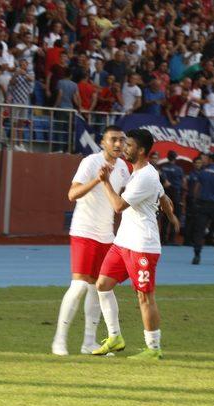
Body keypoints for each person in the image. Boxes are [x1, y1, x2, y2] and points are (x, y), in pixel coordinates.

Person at [90, 129, 179, 360]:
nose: (123, 147)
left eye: (128, 144)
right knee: (102, 285)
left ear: (140, 151)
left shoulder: (146, 177)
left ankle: (153, 348)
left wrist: (105, 182)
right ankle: (115, 337)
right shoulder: (140, 173)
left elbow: (119, 206)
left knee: (144, 297)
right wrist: (172, 216)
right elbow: (164, 197)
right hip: (122, 243)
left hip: (142, 246)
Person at [51, 126, 131, 356]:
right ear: (103, 142)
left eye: (122, 140)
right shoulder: (90, 162)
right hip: (84, 231)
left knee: (97, 288)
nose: (118, 144)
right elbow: (72, 194)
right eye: (113, 140)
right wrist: (98, 180)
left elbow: (122, 197)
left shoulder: (124, 167)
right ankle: (59, 340)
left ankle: (89, 342)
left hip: (107, 234)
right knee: (78, 287)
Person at [159, 150, 183, 245]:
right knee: (175, 216)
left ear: (168, 157)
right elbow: (181, 183)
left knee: (165, 217)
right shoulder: (179, 169)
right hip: (175, 194)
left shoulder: (163, 168)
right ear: (175, 157)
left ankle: (163, 239)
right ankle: (172, 239)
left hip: (165, 194)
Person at [183, 156, 203, 246]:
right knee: (189, 220)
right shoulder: (190, 175)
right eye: (197, 163)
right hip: (191, 199)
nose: (198, 165)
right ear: (194, 164)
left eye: (200, 163)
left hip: (200, 200)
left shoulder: (204, 174)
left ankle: (195, 240)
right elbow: (185, 186)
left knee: (198, 221)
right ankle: (187, 240)